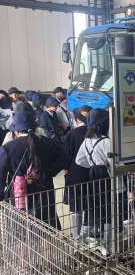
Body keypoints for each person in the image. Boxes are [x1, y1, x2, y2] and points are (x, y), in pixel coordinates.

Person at [0, 107, 67, 228]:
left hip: (18, 193)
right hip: (44, 190)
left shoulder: (7, 148)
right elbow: (63, 159)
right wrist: (46, 173)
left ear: (16, 131)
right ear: (36, 127)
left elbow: (1, 174)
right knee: (46, 223)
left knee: (20, 225)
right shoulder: (49, 143)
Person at [76, 109, 116, 248]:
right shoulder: (106, 142)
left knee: (93, 205)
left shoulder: (87, 140)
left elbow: (79, 160)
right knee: (108, 207)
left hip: (92, 174)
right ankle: (107, 242)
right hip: (105, 175)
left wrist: (92, 164)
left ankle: (84, 238)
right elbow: (113, 163)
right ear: (103, 124)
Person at [63, 106, 92, 238]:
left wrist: (66, 169)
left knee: (76, 205)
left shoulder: (72, 134)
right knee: (92, 202)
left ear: (76, 119)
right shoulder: (96, 132)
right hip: (93, 173)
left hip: (75, 174)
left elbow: (65, 156)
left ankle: (76, 235)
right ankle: (89, 233)